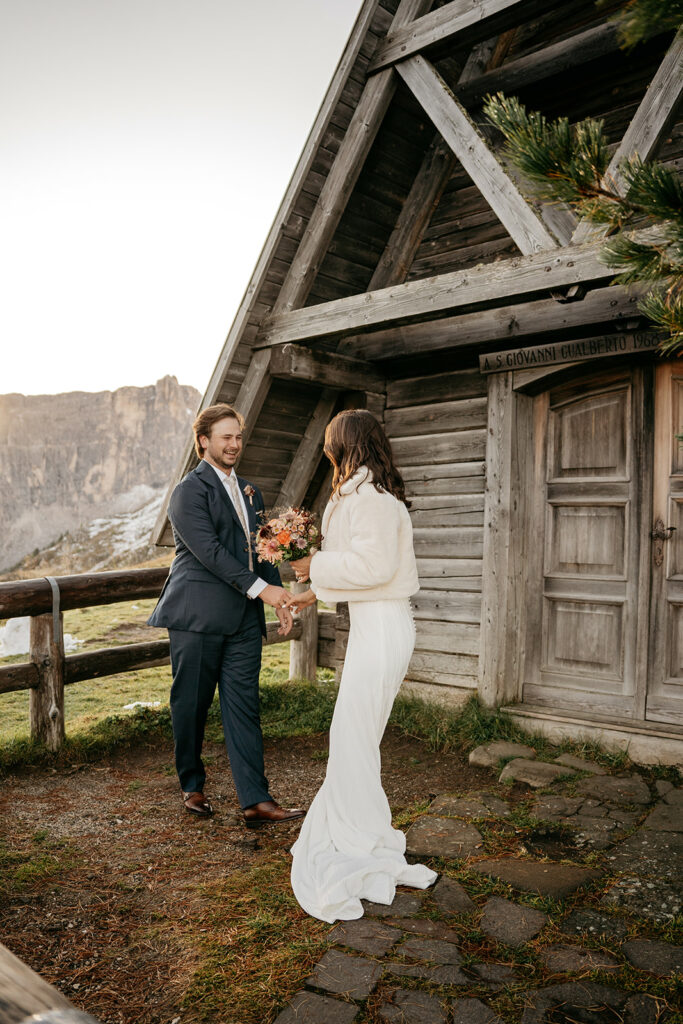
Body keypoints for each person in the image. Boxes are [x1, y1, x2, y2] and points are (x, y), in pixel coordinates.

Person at [284, 409, 437, 922]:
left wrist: (314, 565)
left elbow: (374, 567)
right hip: (374, 625)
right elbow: (358, 568)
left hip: (384, 627)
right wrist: (312, 590)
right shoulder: (359, 495)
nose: (326, 448)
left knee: (353, 734)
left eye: (330, 441)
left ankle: (358, 837)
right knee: (354, 735)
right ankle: (357, 826)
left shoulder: (371, 499)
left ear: (345, 445)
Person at [148, 403, 305, 829]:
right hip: (196, 617)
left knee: (244, 707)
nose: (234, 444)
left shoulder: (251, 491)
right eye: (225, 437)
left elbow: (263, 550)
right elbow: (211, 553)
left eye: (238, 436)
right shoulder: (188, 492)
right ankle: (192, 784)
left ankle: (256, 800)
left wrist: (278, 599)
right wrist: (263, 590)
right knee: (191, 704)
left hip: (244, 621)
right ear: (204, 441)